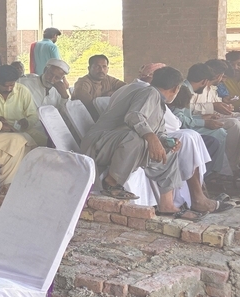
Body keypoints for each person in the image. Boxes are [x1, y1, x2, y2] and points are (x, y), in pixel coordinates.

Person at [81, 67, 222, 216]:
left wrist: (166, 141)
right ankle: (111, 183)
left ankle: (167, 206)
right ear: (176, 88)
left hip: (116, 144)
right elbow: (134, 117)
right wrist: (152, 138)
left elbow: (158, 132)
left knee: (168, 153)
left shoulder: (158, 101)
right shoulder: (149, 92)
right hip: (98, 143)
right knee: (138, 138)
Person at [0, 64, 47, 146]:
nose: (8, 89)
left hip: (21, 131)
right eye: (5, 86)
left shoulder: (23, 91)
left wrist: (27, 122)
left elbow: (33, 115)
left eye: (12, 85)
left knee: (44, 142)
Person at [72, 54, 126, 119]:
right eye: (97, 67)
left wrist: (112, 93)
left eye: (104, 67)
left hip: (105, 115)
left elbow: (128, 88)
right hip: (87, 119)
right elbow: (91, 106)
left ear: (107, 69)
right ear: (89, 68)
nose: (101, 70)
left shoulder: (108, 79)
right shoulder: (83, 83)